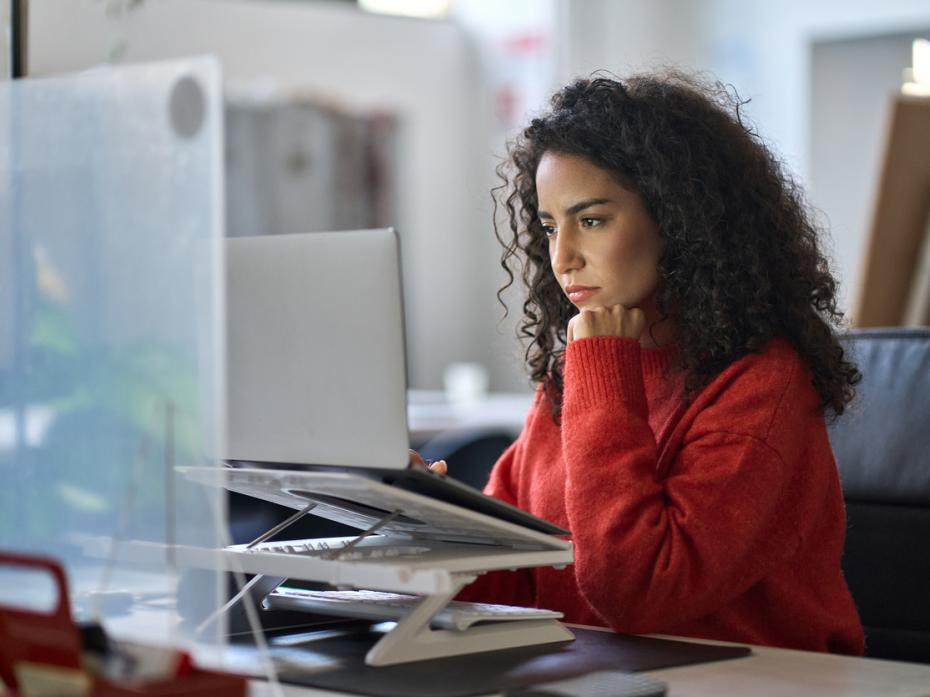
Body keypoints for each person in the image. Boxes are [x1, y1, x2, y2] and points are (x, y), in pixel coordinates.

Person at [447, 72, 865, 655]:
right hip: (596, 672)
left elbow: (638, 592)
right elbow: (520, 576)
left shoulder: (764, 383)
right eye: (549, 227)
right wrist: (428, 527)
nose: (562, 257)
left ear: (679, 220)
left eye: (591, 220)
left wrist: (602, 373)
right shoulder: (577, 377)